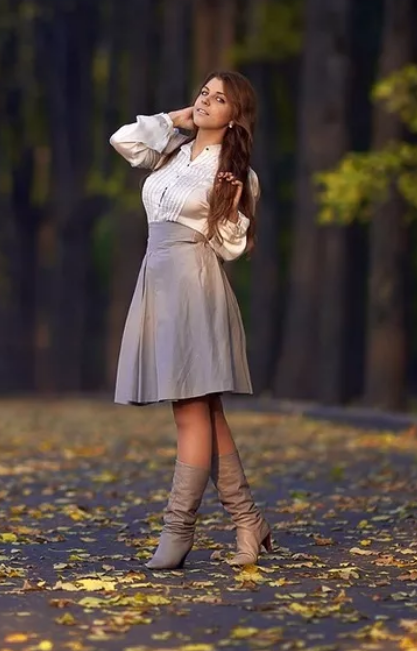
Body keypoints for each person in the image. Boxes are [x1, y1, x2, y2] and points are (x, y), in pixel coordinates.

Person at [109, 70, 272, 570]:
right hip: (156, 277)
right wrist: (176, 119)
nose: (206, 101)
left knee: (189, 407)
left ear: (234, 115)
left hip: (193, 281)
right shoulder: (171, 151)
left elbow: (228, 246)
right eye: (204, 92)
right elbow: (122, 140)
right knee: (205, 409)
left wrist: (235, 203)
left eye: (219, 99)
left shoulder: (235, 172)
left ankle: (178, 529)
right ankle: (249, 521)